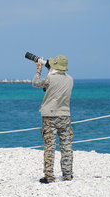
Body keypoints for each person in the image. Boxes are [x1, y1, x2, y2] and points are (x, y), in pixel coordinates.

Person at [32, 55, 74, 183]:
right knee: (66, 145)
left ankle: (49, 176)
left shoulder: (50, 78)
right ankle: (68, 174)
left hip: (50, 116)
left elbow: (36, 83)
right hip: (65, 115)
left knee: (49, 146)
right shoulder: (70, 79)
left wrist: (39, 69)